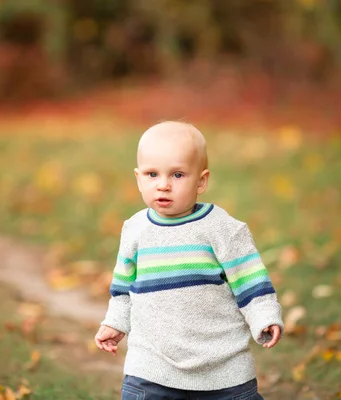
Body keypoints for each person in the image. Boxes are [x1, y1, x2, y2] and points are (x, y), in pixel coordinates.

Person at [94, 121, 283, 400]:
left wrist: (264, 316)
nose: (163, 185)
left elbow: (250, 280)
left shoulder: (221, 228)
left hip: (222, 369)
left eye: (178, 175)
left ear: (201, 180)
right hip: (150, 368)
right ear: (138, 178)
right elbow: (123, 289)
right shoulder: (135, 230)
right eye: (152, 174)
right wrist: (115, 323)